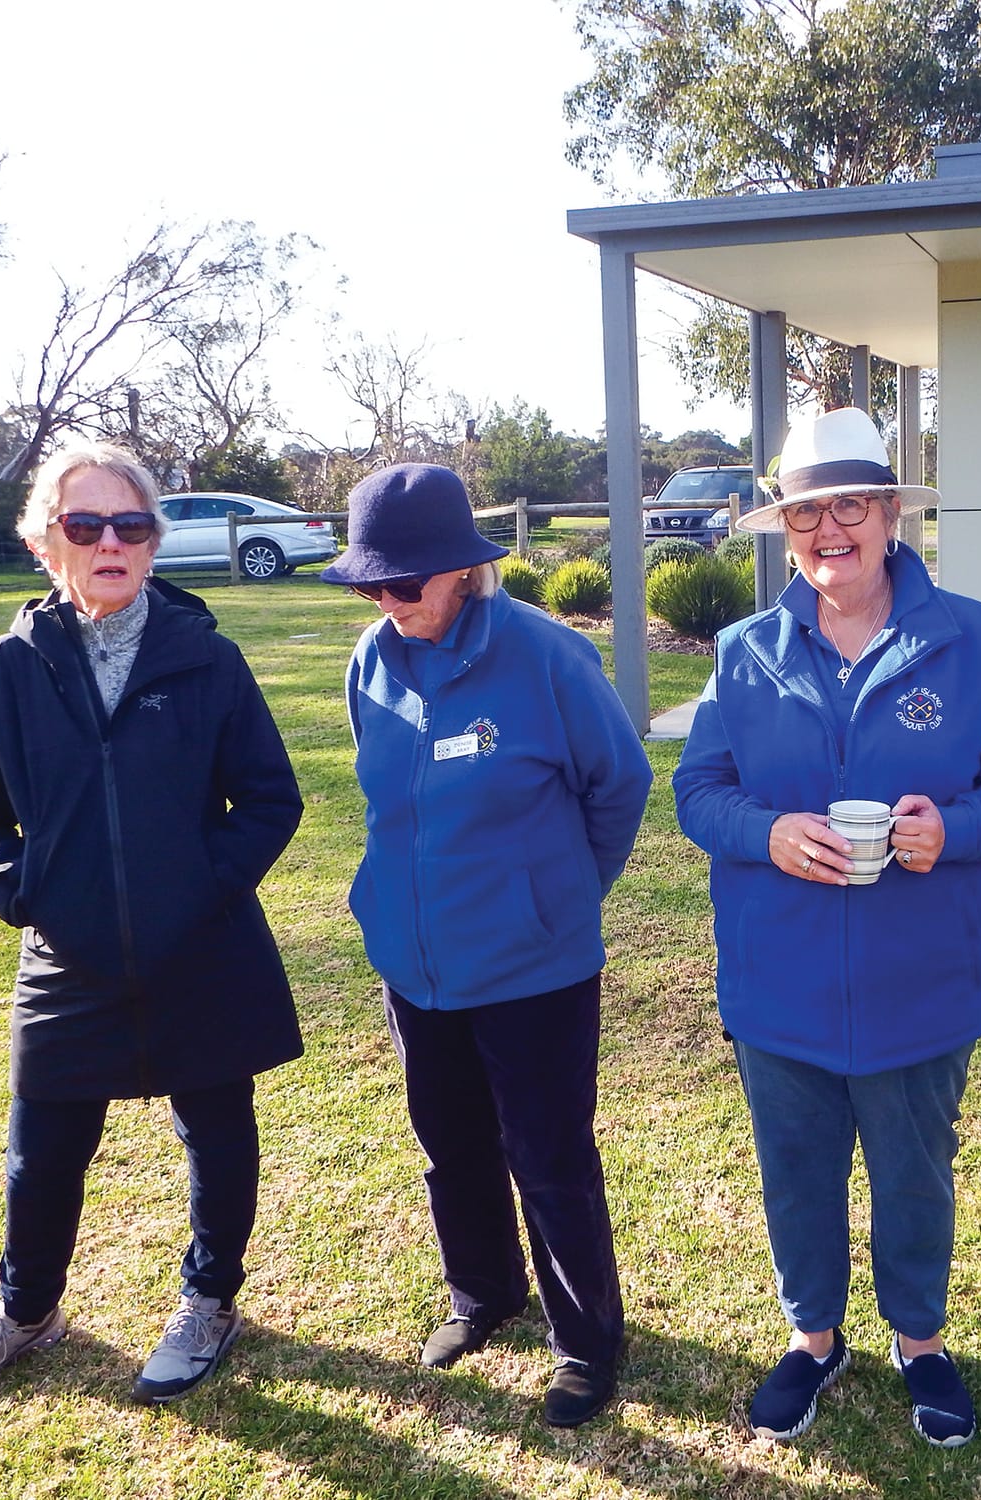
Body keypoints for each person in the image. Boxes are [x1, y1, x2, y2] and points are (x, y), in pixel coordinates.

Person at [672, 407, 981, 1448]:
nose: (827, 529)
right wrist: (766, 833)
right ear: (784, 528)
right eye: (806, 512)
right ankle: (812, 1339)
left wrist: (957, 829)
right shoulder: (747, 650)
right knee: (793, 1172)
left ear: (891, 512)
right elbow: (696, 792)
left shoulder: (970, 637)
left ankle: (920, 1342)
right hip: (778, 982)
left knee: (911, 1176)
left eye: (850, 504)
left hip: (919, 977)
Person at [0, 441, 304, 1408]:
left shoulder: (207, 660)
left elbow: (268, 799)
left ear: (152, 543)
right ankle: (28, 1311)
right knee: (40, 1151)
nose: (110, 543)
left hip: (201, 952)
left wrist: (202, 891)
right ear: (46, 543)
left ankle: (211, 1300)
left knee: (218, 1134)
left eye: (131, 527)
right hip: (68, 958)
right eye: (85, 525)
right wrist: (33, 893)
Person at [322, 464, 652, 1429]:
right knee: (449, 1143)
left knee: (546, 1155)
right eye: (369, 585)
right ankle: (484, 1294)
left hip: (532, 969)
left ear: (463, 571)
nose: (386, 602)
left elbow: (619, 786)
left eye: (404, 583)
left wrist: (553, 897)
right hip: (414, 966)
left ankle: (586, 1342)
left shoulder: (547, 658)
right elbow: (389, 806)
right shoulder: (370, 662)